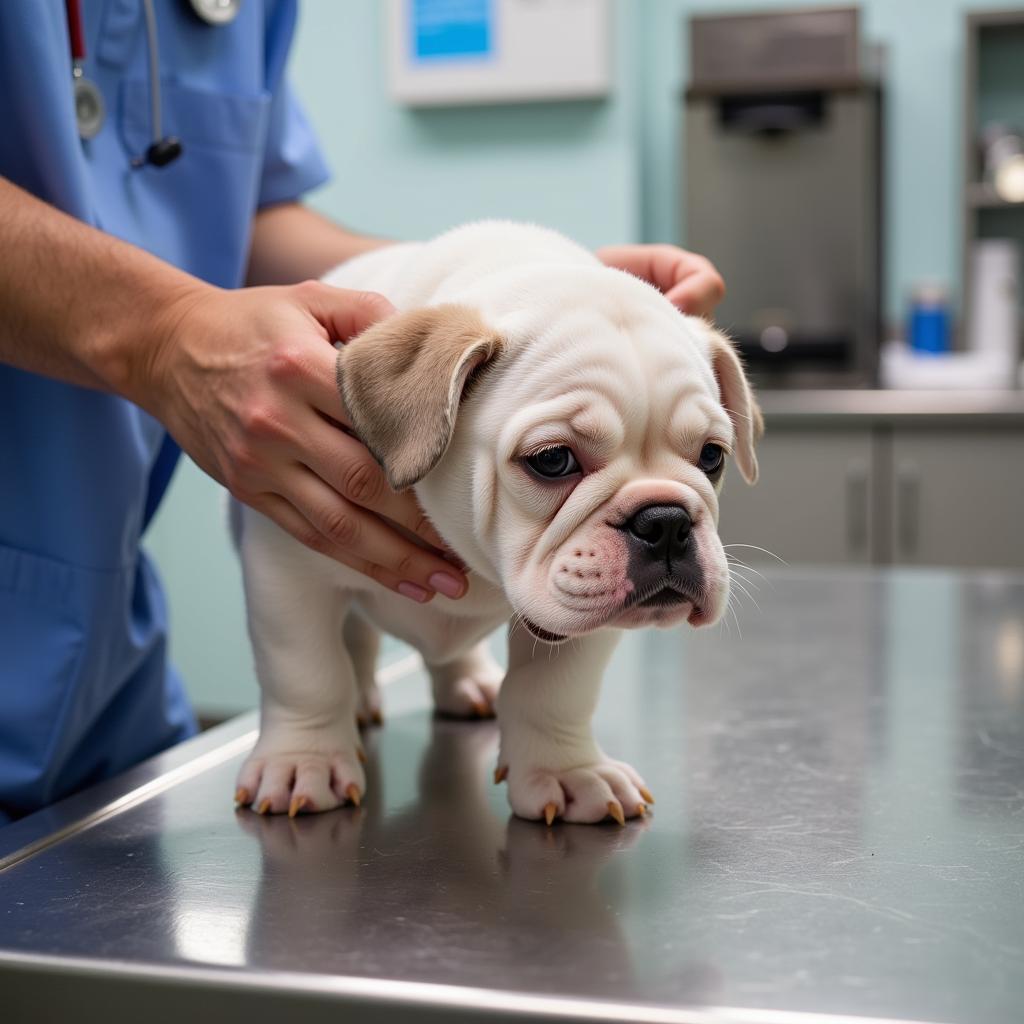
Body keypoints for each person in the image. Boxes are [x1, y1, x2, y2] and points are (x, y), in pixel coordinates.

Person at [0, 0, 725, 826]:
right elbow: (284, 549)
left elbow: (245, 217)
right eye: (557, 460)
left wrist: (548, 307)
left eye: (705, 457)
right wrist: (162, 334)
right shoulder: (405, 384)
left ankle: (468, 678)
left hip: (103, 690)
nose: (661, 517)